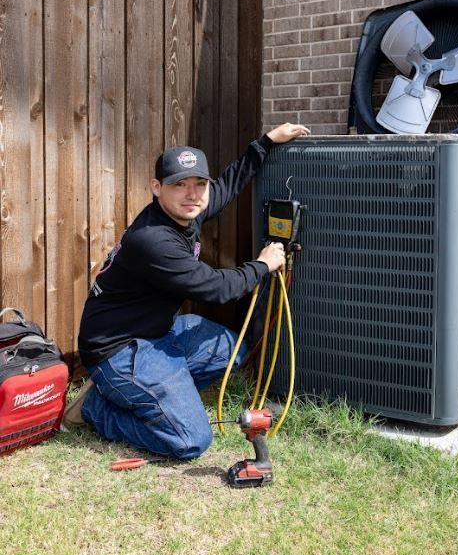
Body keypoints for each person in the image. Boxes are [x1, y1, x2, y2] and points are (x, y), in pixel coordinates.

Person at [64, 122, 310, 459]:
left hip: (157, 334)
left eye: (199, 184)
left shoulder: (186, 211)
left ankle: (160, 396)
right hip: (120, 352)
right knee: (189, 440)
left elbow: (229, 185)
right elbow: (216, 289)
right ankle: (97, 409)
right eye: (179, 185)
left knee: (231, 350)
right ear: (157, 187)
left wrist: (266, 142)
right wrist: (263, 264)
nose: (192, 194)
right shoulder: (153, 241)